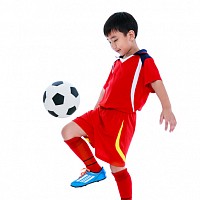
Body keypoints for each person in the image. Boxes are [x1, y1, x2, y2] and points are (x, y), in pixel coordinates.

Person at [61, 12, 177, 200]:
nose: (113, 46)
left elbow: (157, 81)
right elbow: (105, 88)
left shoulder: (143, 60)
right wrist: (95, 108)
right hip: (100, 113)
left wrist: (167, 108)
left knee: (117, 166)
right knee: (68, 131)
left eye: (115, 40)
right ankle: (94, 170)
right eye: (109, 42)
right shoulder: (117, 63)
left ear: (130, 35)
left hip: (121, 120)